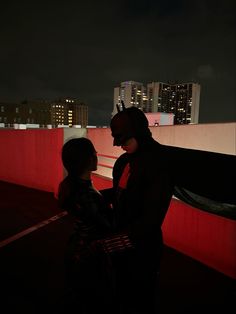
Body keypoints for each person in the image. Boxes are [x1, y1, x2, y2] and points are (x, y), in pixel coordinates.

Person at [103, 105, 175, 314]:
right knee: (121, 295)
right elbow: (120, 193)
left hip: (143, 250)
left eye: (122, 139)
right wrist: (94, 197)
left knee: (140, 300)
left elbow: (151, 219)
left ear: (138, 133)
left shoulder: (159, 163)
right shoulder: (126, 161)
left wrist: (112, 242)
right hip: (123, 246)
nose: (118, 144)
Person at [57, 137, 115, 314]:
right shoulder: (86, 194)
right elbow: (107, 224)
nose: (97, 155)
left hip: (76, 249)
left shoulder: (73, 186)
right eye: (94, 152)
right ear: (88, 159)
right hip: (88, 255)